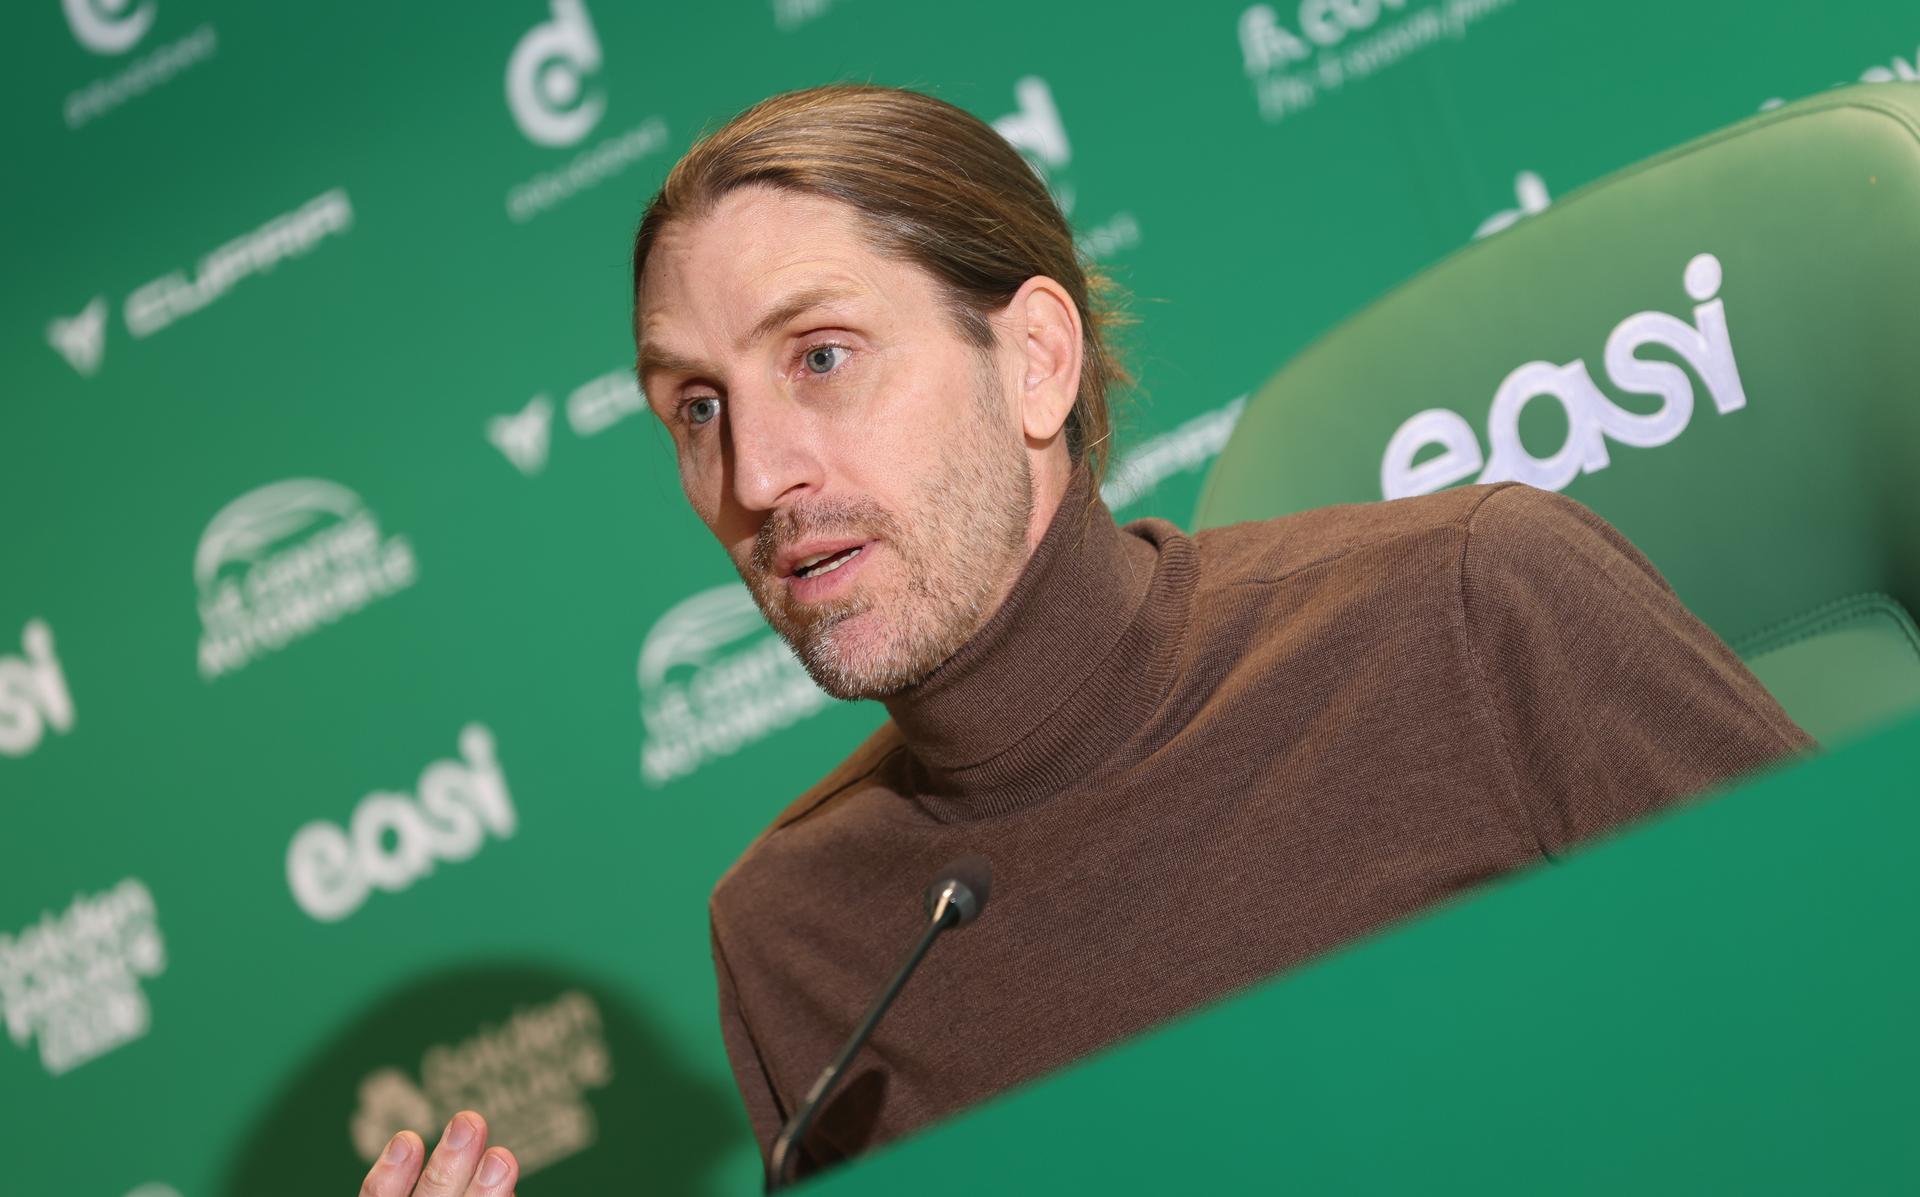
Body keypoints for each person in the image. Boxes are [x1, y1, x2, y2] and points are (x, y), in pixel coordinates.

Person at [357, 83, 1816, 1195]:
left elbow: (1862, 1020)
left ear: (1036, 360)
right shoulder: (791, 934)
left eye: (822, 356)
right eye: (697, 408)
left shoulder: (1471, 606)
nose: (756, 476)